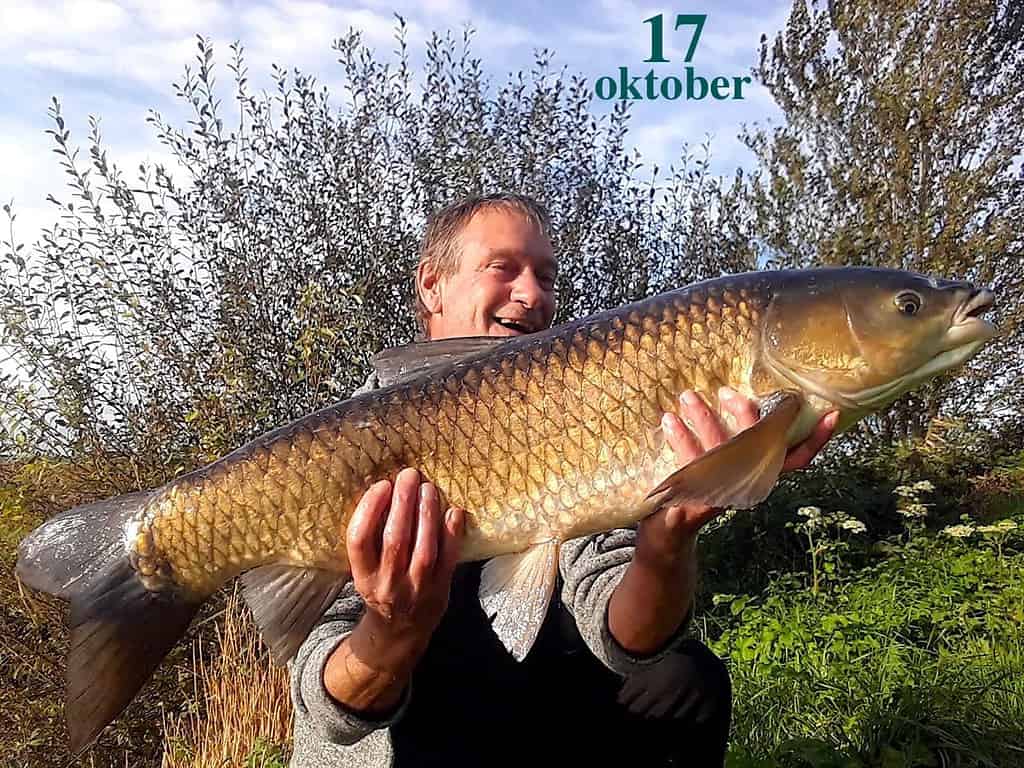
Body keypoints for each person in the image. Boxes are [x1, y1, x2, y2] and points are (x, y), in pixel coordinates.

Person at [288, 193, 837, 768]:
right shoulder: (349, 446)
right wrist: (393, 628)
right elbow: (328, 705)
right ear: (433, 285)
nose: (532, 295)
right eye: (503, 269)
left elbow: (628, 635)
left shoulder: (574, 409)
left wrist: (669, 536)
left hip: (534, 695)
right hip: (410, 715)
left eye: (546, 277)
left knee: (684, 680)